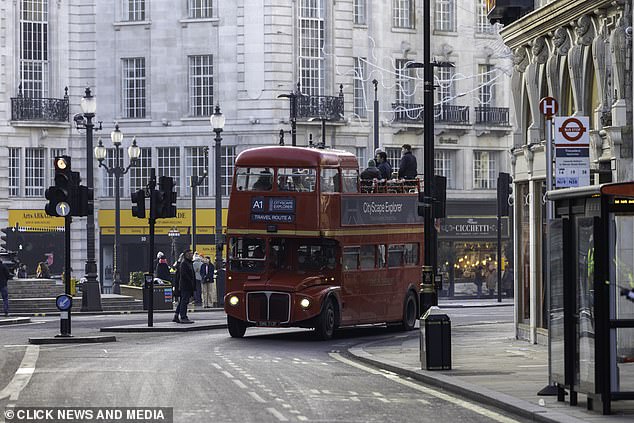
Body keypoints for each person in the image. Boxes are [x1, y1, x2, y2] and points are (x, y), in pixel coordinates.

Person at [173, 249, 195, 324]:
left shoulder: (188, 263)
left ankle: (176, 316)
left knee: (182, 301)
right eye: (190, 254)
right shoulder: (185, 263)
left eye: (192, 254)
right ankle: (183, 317)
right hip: (185, 286)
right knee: (184, 301)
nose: (192, 255)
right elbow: (184, 275)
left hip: (186, 285)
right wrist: (191, 282)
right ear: (186, 255)